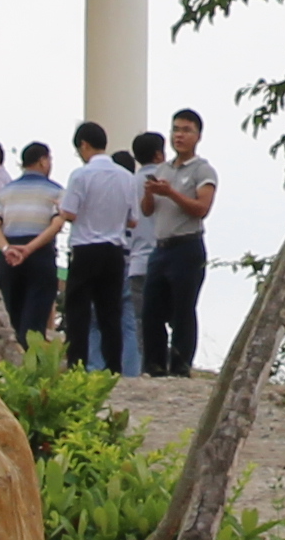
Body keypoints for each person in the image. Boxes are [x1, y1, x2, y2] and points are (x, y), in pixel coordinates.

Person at [136, 106, 221, 379]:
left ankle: (181, 363)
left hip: (187, 245)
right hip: (160, 246)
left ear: (198, 136)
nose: (179, 136)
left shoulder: (202, 170)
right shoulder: (162, 169)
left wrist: (170, 192)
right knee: (151, 309)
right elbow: (148, 210)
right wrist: (151, 192)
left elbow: (201, 208)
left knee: (183, 309)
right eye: (176, 130)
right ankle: (154, 364)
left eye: (186, 130)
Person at [59, 120, 144, 373]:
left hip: (85, 247)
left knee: (78, 311)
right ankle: (114, 366)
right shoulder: (127, 178)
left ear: (84, 145)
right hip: (114, 250)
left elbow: (69, 213)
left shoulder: (81, 175)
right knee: (111, 311)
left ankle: (78, 363)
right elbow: (133, 219)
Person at [0, 138, 61, 346]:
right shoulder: (56, 191)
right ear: (42, 162)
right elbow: (57, 224)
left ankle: (12, 366)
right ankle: (30, 367)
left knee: (12, 316)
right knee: (35, 322)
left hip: (9, 256)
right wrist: (30, 249)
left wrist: (6, 248)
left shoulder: (5, 192)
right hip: (39, 254)